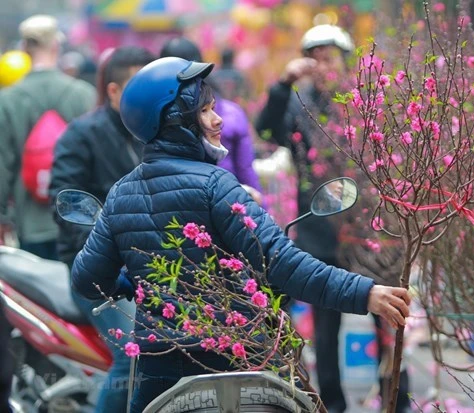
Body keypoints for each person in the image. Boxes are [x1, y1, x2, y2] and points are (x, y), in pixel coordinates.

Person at [69, 57, 411, 412]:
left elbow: (87, 278)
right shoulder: (216, 186)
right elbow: (280, 262)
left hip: (159, 365)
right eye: (205, 111)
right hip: (232, 357)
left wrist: (134, 285)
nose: (218, 120)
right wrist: (364, 293)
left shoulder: (121, 194)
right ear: (176, 121)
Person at [255, 24, 412, 413]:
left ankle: (398, 400)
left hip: (371, 232)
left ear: (346, 60)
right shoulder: (298, 103)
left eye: (331, 55)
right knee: (326, 329)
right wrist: (283, 83)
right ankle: (333, 404)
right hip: (318, 230)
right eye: (316, 56)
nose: (324, 64)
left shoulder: (368, 104)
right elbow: (267, 130)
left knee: (390, 320)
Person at [49, 46, 155, 413]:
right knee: (134, 354)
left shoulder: (154, 132)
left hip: (151, 268)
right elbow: (64, 202)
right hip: (97, 272)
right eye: (136, 87)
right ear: (112, 91)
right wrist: (106, 251)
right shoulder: (82, 135)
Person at [0, 15, 96, 259]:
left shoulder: (7, 100)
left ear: (24, 48)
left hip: (30, 222)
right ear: (56, 46)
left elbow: (2, 165)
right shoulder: (83, 94)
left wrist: (2, 217)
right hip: (80, 221)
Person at [160, 37, 263, 202]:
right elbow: (245, 168)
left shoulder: (156, 116)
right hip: (229, 201)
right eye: (204, 110)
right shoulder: (231, 112)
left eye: (210, 109)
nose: (216, 120)